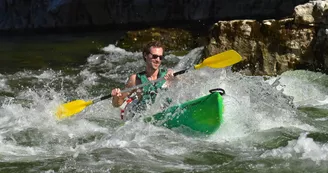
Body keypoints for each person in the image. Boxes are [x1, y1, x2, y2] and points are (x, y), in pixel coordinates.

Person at [111, 41, 175, 119]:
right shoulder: (135, 79)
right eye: (154, 56)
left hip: (166, 113)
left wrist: (175, 80)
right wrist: (116, 97)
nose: (158, 60)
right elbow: (117, 104)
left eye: (160, 57)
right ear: (145, 55)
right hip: (144, 118)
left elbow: (187, 84)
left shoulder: (169, 75)